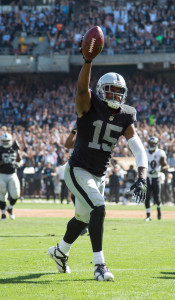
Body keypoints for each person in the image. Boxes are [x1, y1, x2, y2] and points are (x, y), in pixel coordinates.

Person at [48, 43, 148, 282]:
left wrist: (142, 176)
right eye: (110, 91)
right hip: (77, 169)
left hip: (98, 175)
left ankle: (60, 252)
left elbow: (139, 148)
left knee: (82, 218)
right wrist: (87, 61)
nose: (114, 96)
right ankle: (99, 266)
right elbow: (82, 89)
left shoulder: (126, 115)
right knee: (99, 207)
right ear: (101, 91)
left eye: (118, 92)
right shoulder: (88, 104)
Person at [0, 132, 23, 220]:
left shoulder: (14, 148)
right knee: (2, 194)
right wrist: (2, 162)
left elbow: (20, 160)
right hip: (1, 174)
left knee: (16, 194)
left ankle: (10, 208)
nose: (6, 142)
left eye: (7, 141)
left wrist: (18, 163)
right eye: (4, 141)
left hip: (12, 173)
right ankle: (3, 213)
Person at [145, 136, 168, 221]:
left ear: (156, 144)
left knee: (157, 197)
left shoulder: (160, 153)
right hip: (147, 177)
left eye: (153, 144)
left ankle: (159, 211)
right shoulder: (145, 152)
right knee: (146, 196)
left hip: (156, 177)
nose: (152, 145)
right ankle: (148, 216)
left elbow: (165, 165)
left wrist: (159, 169)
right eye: (151, 143)